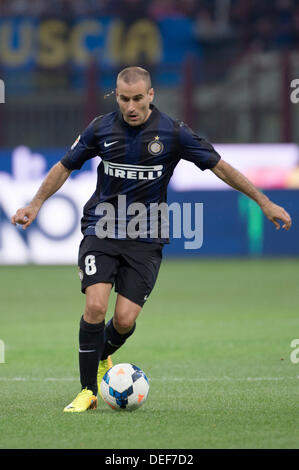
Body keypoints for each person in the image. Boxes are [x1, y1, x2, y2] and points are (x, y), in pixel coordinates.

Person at [11, 66, 292, 412]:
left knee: (125, 320)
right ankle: (88, 391)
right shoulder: (100, 128)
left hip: (147, 236)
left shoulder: (173, 133)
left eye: (137, 99)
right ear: (117, 95)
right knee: (96, 306)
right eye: (124, 98)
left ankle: (102, 354)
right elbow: (65, 166)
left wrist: (263, 201)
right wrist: (36, 203)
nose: (130, 106)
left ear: (151, 95)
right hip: (101, 228)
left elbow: (220, 166)